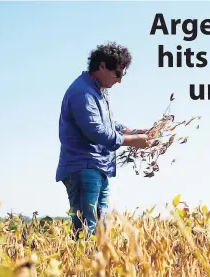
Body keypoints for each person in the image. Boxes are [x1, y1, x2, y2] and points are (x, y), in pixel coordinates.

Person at [55, 41, 150, 239]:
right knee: (86, 228)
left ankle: (97, 268)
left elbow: (108, 124)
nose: (120, 80)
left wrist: (132, 130)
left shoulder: (97, 90)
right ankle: (81, 269)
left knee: (101, 228)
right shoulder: (83, 92)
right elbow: (96, 132)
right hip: (84, 167)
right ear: (102, 66)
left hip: (97, 167)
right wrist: (133, 140)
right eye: (118, 73)